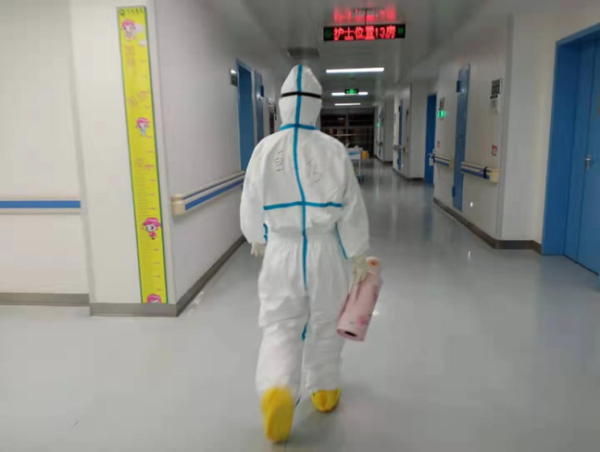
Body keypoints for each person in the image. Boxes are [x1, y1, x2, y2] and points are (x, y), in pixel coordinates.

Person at [240, 65, 370, 442]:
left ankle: (277, 390)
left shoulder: (264, 150)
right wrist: (357, 253)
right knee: (327, 321)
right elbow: (351, 208)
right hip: (325, 249)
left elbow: (250, 201)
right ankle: (324, 389)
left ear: (283, 105)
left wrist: (257, 235)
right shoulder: (333, 150)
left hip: (282, 250)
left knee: (280, 324)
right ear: (316, 106)